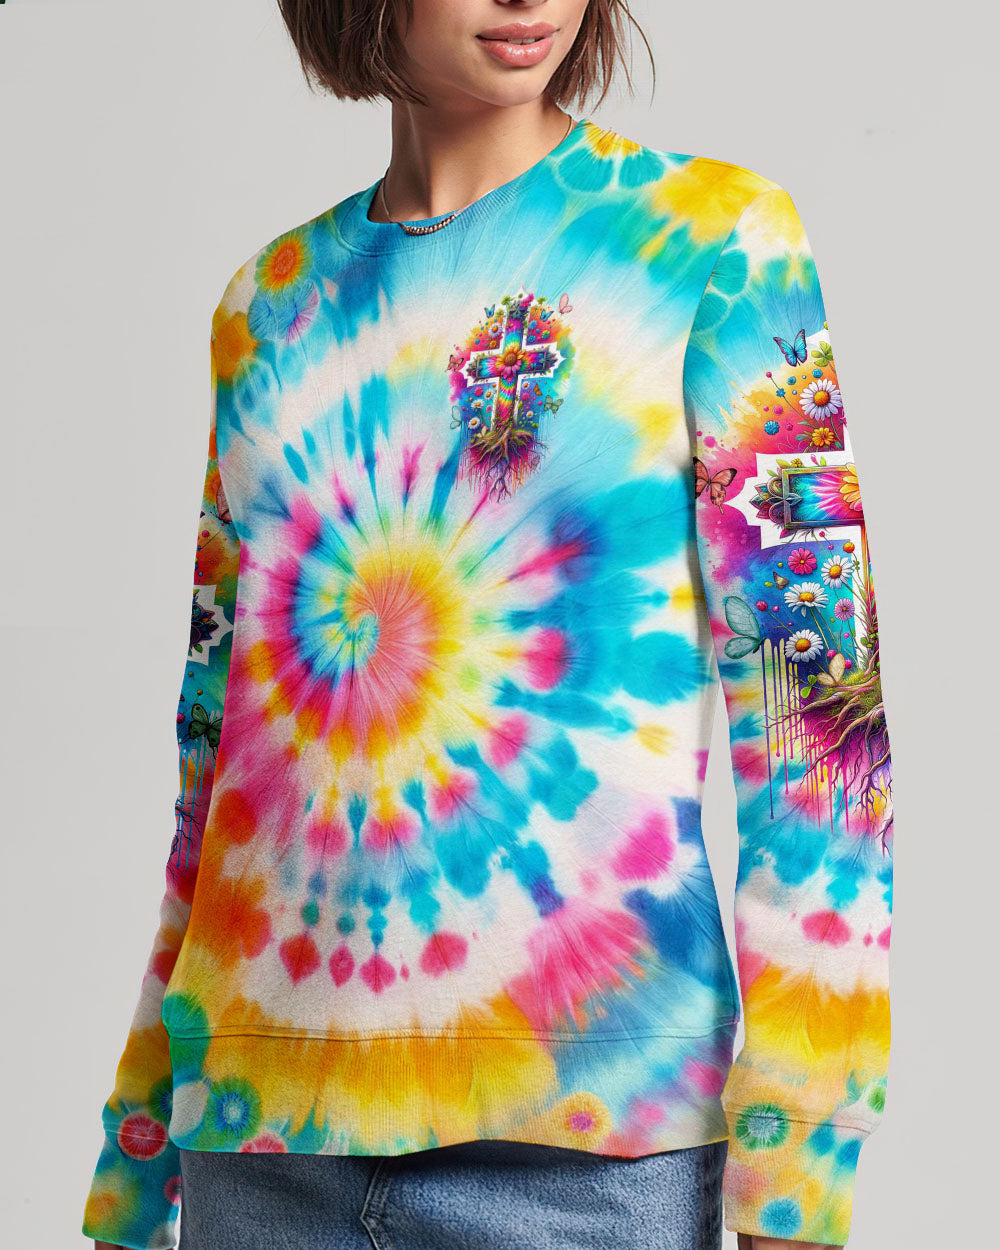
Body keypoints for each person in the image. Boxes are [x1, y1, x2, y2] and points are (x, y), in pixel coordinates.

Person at [82, 2, 895, 1248]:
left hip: (588, 1154)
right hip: (256, 1140)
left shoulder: (710, 240)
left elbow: (817, 723)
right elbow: (216, 760)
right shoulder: (266, 305)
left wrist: (800, 1153)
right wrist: (139, 1151)